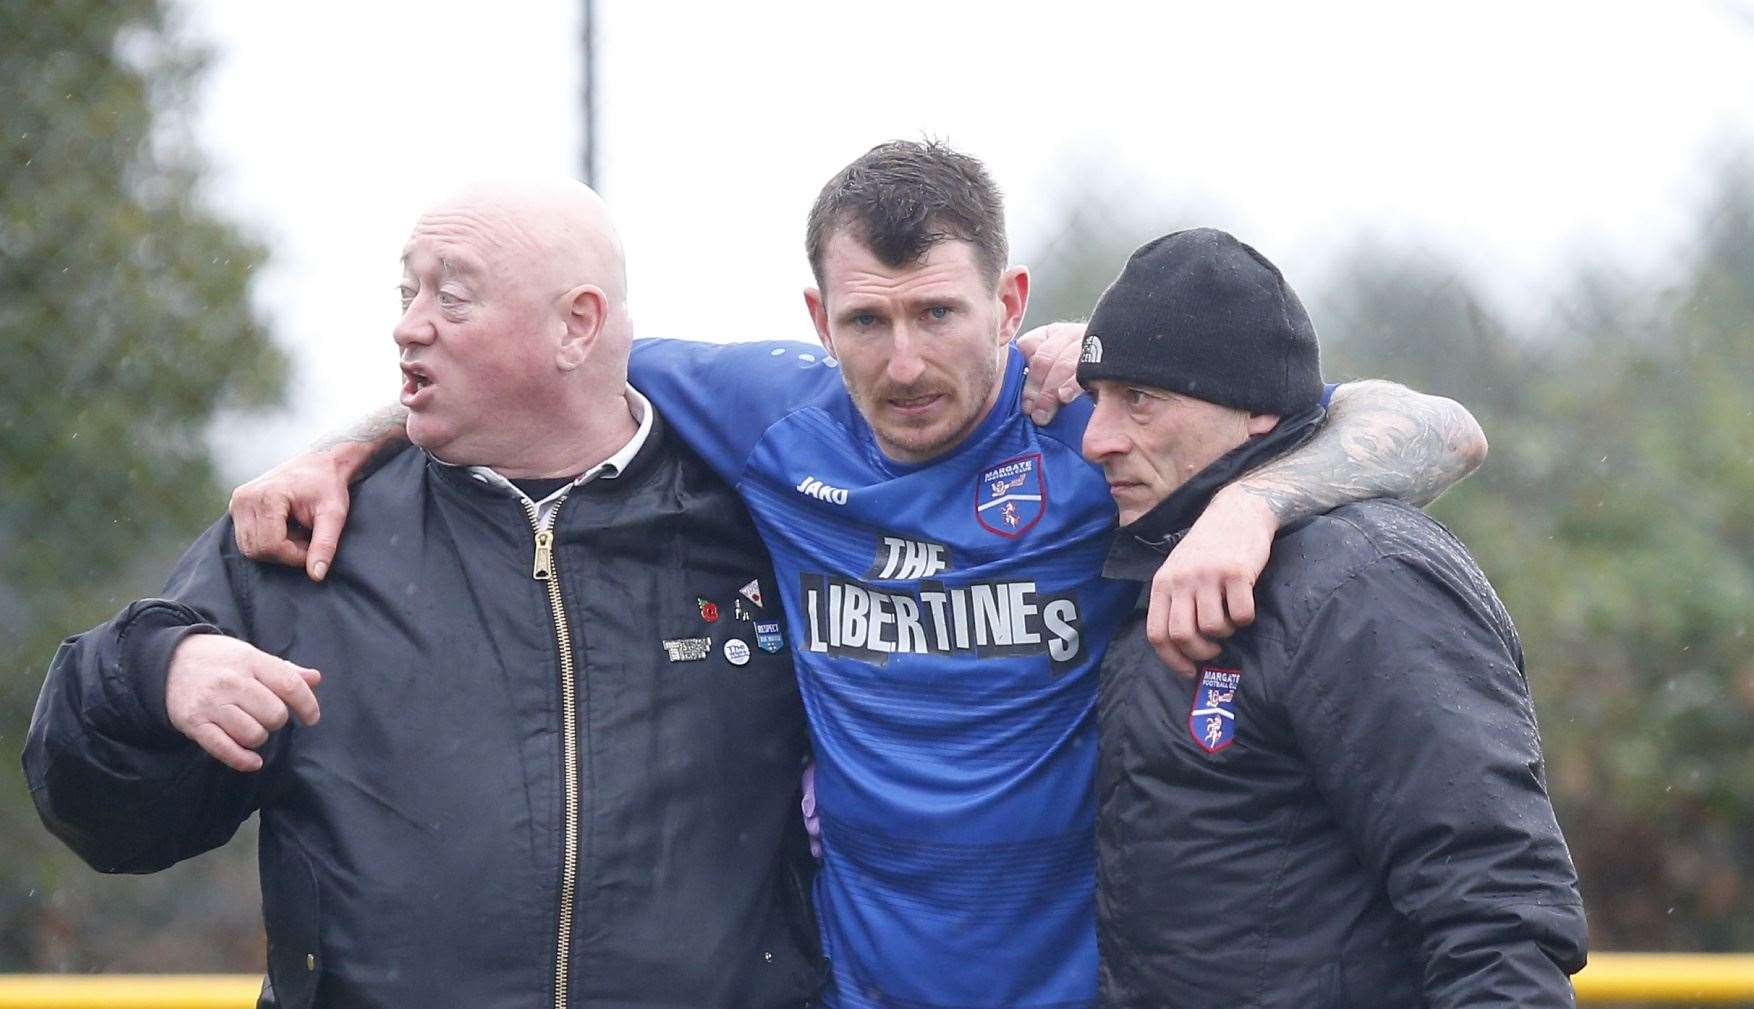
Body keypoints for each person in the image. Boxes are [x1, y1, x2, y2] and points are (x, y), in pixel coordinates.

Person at [229, 142, 1490, 1009]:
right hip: (856, 979)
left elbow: (1436, 426)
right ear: (813, 313)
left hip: (1088, 973)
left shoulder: (1092, 428)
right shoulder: (767, 412)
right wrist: (340, 446)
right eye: (865, 321)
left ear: (1009, 298)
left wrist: (1254, 507)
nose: (901, 362)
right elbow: (531, 371)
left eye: (939, 313)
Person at [23, 179, 825, 1009]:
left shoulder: (761, 520)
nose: (409, 325)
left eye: (454, 295)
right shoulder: (310, 531)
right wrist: (158, 673)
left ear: (577, 324)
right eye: (407, 292)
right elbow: (108, 821)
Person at [1080, 228, 1587, 1008]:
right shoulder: (1156, 562)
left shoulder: (1363, 579)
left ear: (1252, 407)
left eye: (1139, 400)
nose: (1096, 439)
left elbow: (1494, 912)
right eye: (1096, 398)